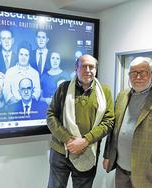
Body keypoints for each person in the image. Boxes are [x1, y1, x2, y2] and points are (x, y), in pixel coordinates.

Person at [47, 54, 114, 188]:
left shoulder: (104, 91)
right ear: (76, 68)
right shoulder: (63, 88)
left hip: (88, 151)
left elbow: (108, 121)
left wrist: (85, 141)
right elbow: (51, 115)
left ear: (95, 69)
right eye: (84, 66)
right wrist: (68, 140)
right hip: (61, 152)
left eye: (92, 67)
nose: (88, 70)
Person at [103, 57, 152, 188]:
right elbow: (113, 129)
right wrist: (108, 155)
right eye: (133, 73)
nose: (137, 77)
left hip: (148, 172)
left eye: (143, 72)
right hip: (121, 170)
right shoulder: (122, 95)